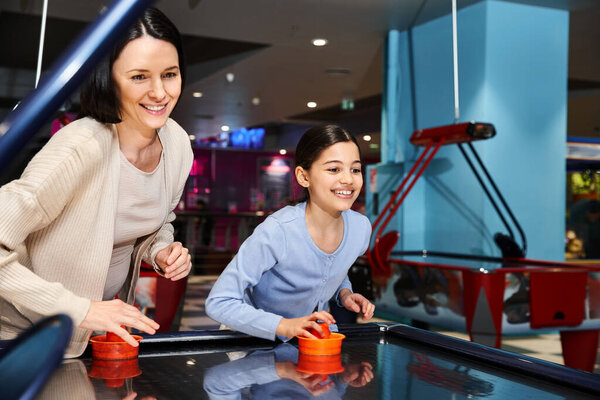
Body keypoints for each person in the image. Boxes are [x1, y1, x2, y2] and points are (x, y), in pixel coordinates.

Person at [0, 8, 193, 357]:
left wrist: (160, 249)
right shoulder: (80, 148)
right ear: (108, 78)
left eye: (170, 74)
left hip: (83, 337)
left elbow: (158, 220)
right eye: (139, 77)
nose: (159, 92)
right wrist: (83, 309)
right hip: (20, 337)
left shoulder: (178, 144)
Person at [206, 125, 375, 340]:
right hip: (250, 342)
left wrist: (344, 294)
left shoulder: (361, 229)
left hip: (307, 341)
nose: (348, 180)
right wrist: (285, 326)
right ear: (304, 177)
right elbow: (219, 302)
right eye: (334, 169)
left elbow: (331, 268)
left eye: (355, 169)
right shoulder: (278, 231)